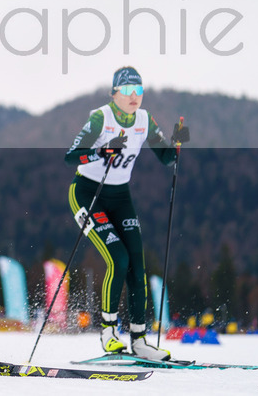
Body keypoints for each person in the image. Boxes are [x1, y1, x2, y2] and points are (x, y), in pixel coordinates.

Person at [64, 66, 189, 361]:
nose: (135, 96)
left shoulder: (144, 120)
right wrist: (101, 152)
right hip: (87, 193)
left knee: (137, 264)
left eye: (139, 91)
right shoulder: (101, 117)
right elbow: (71, 155)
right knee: (117, 258)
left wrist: (177, 141)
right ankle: (108, 333)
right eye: (128, 91)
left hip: (120, 196)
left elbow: (165, 156)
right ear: (114, 94)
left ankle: (139, 339)